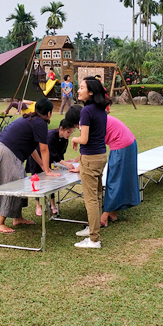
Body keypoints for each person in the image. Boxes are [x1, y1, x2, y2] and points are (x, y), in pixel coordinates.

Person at [0, 97, 60, 234]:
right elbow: (44, 149)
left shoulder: (32, 120)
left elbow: (32, 148)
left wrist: (41, 164)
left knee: (21, 182)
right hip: (7, 151)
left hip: (2, 148)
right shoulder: (40, 123)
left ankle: (18, 217)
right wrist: (47, 171)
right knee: (13, 185)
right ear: (49, 113)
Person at [71, 77, 109, 249]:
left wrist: (74, 138)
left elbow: (84, 139)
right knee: (97, 195)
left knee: (90, 199)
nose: (78, 90)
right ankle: (92, 228)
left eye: (81, 87)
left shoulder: (86, 111)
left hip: (90, 158)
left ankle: (93, 239)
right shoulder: (101, 110)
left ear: (91, 92)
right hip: (101, 156)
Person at [26, 117, 78, 216]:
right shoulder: (50, 136)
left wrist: (61, 165)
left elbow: (60, 154)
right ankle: (38, 205)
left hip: (48, 160)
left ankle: (53, 204)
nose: (70, 135)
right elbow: (51, 153)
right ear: (61, 129)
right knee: (37, 181)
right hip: (36, 158)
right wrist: (64, 163)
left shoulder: (64, 139)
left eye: (71, 132)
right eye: (68, 132)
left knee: (50, 181)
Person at [101, 113, 140, 225]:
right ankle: (113, 213)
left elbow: (93, 145)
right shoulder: (99, 116)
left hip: (121, 145)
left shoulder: (90, 120)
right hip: (129, 142)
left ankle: (105, 215)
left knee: (114, 179)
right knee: (119, 177)